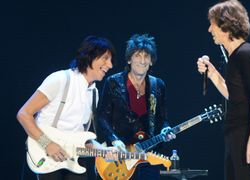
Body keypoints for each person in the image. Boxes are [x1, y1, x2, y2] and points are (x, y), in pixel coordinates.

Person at [17, 35, 116, 180]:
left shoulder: (93, 93)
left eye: (111, 60)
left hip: (72, 159)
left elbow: (81, 137)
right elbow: (24, 114)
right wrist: (47, 144)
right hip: (46, 154)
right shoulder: (60, 79)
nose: (110, 65)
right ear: (90, 57)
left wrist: (103, 151)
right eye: (105, 58)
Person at [197, 1, 250, 180]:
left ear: (225, 25)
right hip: (235, 133)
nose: (210, 30)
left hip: (244, 132)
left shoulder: (246, 53)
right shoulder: (235, 56)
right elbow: (234, 96)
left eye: (213, 24)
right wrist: (212, 73)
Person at [96, 34, 175, 180]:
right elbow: (101, 117)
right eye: (138, 55)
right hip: (120, 157)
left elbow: (162, 118)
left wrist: (165, 129)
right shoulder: (113, 82)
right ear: (129, 59)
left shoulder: (158, 85)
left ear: (152, 61)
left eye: (147, 56)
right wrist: (114, 140)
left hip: (148, 155)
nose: (143, 60)